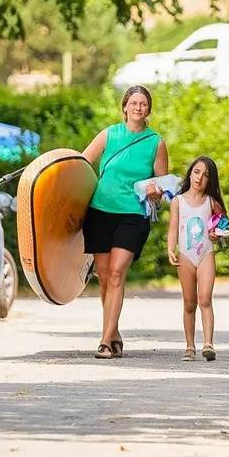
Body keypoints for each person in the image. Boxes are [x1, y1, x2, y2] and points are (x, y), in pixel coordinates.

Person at [81, 84, 169, 359]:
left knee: (118, 273)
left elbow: (162, 186)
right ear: (125, 107)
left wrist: (157, 192)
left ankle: (105, 341)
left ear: (148, 110)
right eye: (134, 103)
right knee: (106, 280)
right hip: (100, 211)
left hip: (133, 214)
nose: (138, 108)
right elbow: (82, 162)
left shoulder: (156, 142)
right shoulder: (109, 135)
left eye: (143, 104)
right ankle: (114, 333)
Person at [167, 156, 225, 362]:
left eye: (206, 175)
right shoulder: (178, 201)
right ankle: (189, 346)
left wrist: (217, 236)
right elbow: (173, 228)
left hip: (206, 255)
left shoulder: (211, 203)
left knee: (205, 299)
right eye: (196, 172)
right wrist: (170, 249)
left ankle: (208, 344)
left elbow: (224, 227)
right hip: (185, 256)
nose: (199, 178)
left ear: (211, 180)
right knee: (189, 303)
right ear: (190, 173)